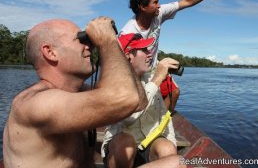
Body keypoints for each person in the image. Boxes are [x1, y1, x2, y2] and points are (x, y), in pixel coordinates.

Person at [2, 17, 177, 168]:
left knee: (176, 162)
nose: (89, 47)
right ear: (50, 52)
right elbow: (127, 98)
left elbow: (139, 101)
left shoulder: (78, 93)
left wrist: (118, 48)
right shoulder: (36, 103)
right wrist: (107, 40)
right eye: (81, 40)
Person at [120, 0, 234, 113]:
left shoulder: (158, 14)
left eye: (158, 1)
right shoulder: (128, 32)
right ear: (142, 7)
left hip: (153, 66)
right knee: (144, 105)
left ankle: (165, 121)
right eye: (155, 2)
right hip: (137, 73)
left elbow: (186, 1)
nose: (159, 5)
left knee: (174, 92)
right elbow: (120, 62)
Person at [101, 33, 185, 168]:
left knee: (169, 151)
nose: (150, 54)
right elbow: (130, 117)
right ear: (128, 56)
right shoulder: (113, 82)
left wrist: (171, 146)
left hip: (150, 140)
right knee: (126, 145)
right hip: (122, 141)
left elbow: (164, 116)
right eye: (144, 50)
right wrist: (157, 79)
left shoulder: (151, 75)